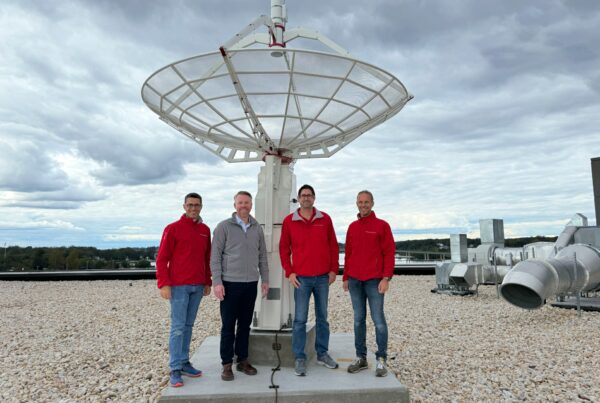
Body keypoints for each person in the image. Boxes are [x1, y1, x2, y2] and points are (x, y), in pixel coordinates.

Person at [279, 184, 339, 376]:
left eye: (309, 195)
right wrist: (290, 272)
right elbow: (283, 249)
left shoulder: (325, 219)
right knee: (299, 320)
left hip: (322, 277)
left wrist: (333, 270)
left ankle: (322, 354)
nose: (306, 198)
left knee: (323, 318)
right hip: (301, 279)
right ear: (298, 198)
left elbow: (333, 246)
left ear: (314, 198)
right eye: (303, 195)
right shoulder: (289, 221)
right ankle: (299, 357)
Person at [211, 191, 269, 381]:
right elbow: (215, 258)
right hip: (229, 283)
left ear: (251, 205)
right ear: (235, 205)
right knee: (228, 326)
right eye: (240, 203)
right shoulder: (223, 227)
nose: (243, 206)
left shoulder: (256, 227)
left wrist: (265, 279)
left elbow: (262, 256)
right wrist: (217, 282)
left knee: (245, 325)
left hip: (251, 283)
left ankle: (242, 360)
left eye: (247, 203)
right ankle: (226, 364)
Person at [156, 192, 212, 388]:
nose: (193, 208)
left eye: (197, 205)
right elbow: (162, 259)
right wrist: (163, 283)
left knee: (188, 326)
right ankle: (175, 368)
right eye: (190, 205)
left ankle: (185, 361)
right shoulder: (172, 229)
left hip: (197, 286)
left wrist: (207, 281)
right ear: (184, 206)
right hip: (178, 286)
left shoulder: (205, 230)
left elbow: (207, 258)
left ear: (201, 207)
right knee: (178, 327)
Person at [343, 190, 395, 377]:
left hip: (375, 281)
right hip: (355, 280)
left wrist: (386, 278)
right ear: (356, 203)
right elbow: (348, 254)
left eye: (366, 202)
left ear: (372, 203)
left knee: (378, 321)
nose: (363, 205)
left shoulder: (382, 226)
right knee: (358, 320)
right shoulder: (352, 227)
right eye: (360, 202)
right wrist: (346, 277)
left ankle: (381, 360)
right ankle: (361, 358)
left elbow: (389, 252)